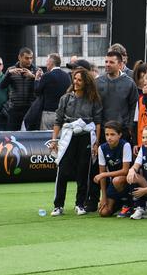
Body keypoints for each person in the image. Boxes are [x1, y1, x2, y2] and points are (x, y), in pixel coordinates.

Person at [49, 67, 104, 216]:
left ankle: (80, 204)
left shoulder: (93, 99)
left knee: (83, 171)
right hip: (68, 137)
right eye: (75, 79)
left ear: (86, 82)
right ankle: (58, 205)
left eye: (80, 80)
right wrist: (54, 140)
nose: (76, 82)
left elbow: (98, 122)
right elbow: (58, 120)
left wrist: (96, 142)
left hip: (86, 137)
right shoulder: (65, 98)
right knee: (63, 170)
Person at [96, 50, 138, 139]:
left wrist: (130, 126)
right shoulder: (98, 82)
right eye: (106, 61)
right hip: (104, 131)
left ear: (120, 65)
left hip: (122, 131)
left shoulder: (129, 83)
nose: (107, 64)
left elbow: (134, 106)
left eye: (111, 62)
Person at [95, 121, 132, 217]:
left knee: (117, 180)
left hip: (128, 181)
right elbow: (101, 173)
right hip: (113, 182)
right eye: (107, 134)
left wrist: (104, 174)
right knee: (104, 213)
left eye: (112, 134)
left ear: (119, 135)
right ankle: (117, 205)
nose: (109, 137)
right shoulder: (102, 148)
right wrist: (103, 196)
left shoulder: (125, 145)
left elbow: (125, 171)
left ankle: (128, 205)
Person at [0, 47, 39, 131]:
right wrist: (8, 75)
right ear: (19, 57)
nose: (29, 60)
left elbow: (42, 86)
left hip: (31, 108)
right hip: (15, 108)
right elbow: (2, 86)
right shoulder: (11, 70)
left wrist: (33, 76)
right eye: (26, 58)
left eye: (31, 58)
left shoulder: (37, 70)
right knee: (13, 135)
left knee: (31, 133)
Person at [35, 53, 71, 130]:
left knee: (46, 140)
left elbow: (37, 92)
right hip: (63, 115)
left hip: (48, 114)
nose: (46, 63)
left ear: (51, 62)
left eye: (47, 61)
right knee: (60, 140)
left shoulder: (46, 76)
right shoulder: (67, 76)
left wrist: (37, 80)